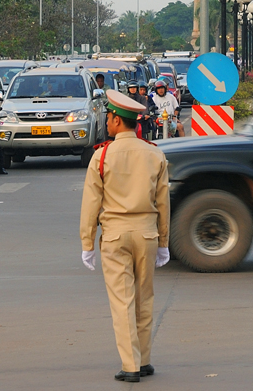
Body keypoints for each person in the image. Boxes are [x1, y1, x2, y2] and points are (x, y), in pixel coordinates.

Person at [79, 90, 170, 383]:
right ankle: (144, 360)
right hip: (147, 234)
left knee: (123, 302)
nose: (106, 123)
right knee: (145, 299)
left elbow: (91, 203)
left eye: (109, 118)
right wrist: (164, 243)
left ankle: (130, 365)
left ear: (118, 121)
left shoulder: (101, 155)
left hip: (115, 237)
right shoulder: (155, 153)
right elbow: (163, 203)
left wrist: (87, 243)